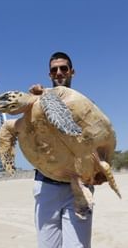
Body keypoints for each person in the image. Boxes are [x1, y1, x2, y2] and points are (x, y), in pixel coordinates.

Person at [30, 52, 93, 248]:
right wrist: (31, 99)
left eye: (63, 68)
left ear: (72, 72)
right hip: (46, 185)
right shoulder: (39, 100)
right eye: (54, 70)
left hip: (79, 187)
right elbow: (26, 130)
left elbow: (94, 141)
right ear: (49, 75)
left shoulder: (84, 105)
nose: (59, 73)